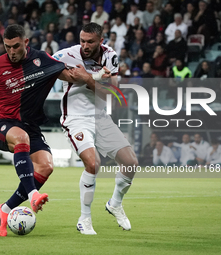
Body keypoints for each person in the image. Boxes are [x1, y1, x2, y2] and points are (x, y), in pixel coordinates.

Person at [0, 24, 109, 237]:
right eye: (7, 47)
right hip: (3, 124)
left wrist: (94, 78)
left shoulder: (42, 60)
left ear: (26, 43)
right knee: (20, 138)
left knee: (46, 166)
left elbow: (69, 75)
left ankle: (3, 210)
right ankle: (32, 195)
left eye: (16, 46)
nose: (11, 52)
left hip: (30, 126)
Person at [52, 23, 138, 235]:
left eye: (90, 41)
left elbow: (115, 98)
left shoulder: (111, 57)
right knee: (93, 163)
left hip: (101, 118)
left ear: (101, 40)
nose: (85, 45)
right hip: (76, 118)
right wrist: (80, 77)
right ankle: (84, 218)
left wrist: (89, 80)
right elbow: (50, 68)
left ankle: (115, 203)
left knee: (130, 163)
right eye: (82, 40)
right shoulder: (66, 54)